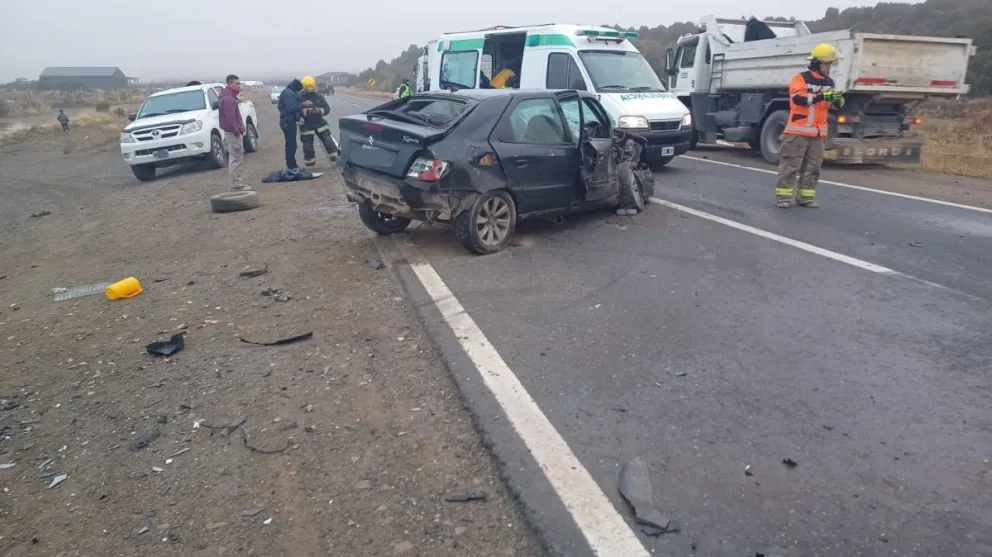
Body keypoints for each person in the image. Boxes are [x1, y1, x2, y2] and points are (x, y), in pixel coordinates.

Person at [775, 43, 845, 208]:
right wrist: (822, 96)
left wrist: (837, 101)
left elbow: (831, 106)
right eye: (827, 64)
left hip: (818, 134)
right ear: (816, 63)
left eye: (830, 64)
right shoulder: (800, 78)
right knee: (790, 166)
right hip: (797, 133)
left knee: (813, 168)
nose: (829, 68)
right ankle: (783, 198)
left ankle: (806, 198)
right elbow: (798, 99)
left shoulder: (829, 82)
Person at [298, 75, 339, 167]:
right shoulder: (299, 98)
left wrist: (319, 110)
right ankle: (310, 162)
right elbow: (294, 111)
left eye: (312, 89)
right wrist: (306, 111)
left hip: (320, 123)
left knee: (328, 141)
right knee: (307, 145)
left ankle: (336, 158)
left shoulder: (319, 96)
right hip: (306, 125)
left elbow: (327, 108)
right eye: (308, 89)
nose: (311, 91)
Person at [218, 74, 249, 191]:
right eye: (236, 83)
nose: (238, 86)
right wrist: (236, 130)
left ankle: (237, 183)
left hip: (232, 132)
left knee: (236, 158)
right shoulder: (229, 99)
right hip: (233, 133)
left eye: (239, 83)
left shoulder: (228, 97)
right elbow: (230, 118)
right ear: (229, 84)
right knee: (236, 159)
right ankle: (237, 185)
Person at [277, 78, 304, 170]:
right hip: (287, 121)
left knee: (291, 144)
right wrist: (303, 105)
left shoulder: (290, 91)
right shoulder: (289, 93)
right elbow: (291, 107)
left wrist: (298, 116)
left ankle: (293, 165)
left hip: (289, 121)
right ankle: (291, 166)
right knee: (291, 145)